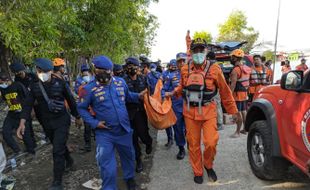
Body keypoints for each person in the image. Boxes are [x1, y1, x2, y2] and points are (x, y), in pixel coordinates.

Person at [166, 38, 240, 184]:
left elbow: (225, 91)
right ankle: (198, 171)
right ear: (191, 52)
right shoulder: (185, 69)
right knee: (193, 144)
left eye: (201, 50)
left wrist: (233, 111)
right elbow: (182, 86)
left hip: (208, 111)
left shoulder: (215, 69)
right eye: (195, 50)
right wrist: (173, 92)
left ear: (206, 51)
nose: (198, 53)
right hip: (189, 112)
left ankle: (208, 164)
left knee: (211, 142)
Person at [78, 55, 146, 190]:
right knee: (106, 165)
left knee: (128, 157)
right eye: (99, 70)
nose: (103, 74)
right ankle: (109, 187)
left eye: (106, 71)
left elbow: (127, 97)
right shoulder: (88, 89)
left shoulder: (120, 82)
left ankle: (129, 178)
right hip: (105, 133)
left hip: (123, 130)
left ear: (111, 71)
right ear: (95, 70)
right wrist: (94, 123)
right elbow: (81, 108)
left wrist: (139, 96)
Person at [17, 58, 82, 190]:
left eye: (46, 71)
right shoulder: (35, 86)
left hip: (62, 121)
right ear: (37, 70)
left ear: (51, 71)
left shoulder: (60, 82)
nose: (43, 73)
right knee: (59, 145)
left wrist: (77, 116)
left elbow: (70, 100)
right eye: (40, 70)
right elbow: (28, 105)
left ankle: (57, 183)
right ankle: (69, 161)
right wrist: (22, 123)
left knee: (57, 151)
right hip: (47, 123)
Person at [123, 57, 153, 173]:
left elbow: (150, 91)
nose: (131, 67)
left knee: (143, 133)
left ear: (138, 67)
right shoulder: (122, 80)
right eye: (128, 65)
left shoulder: (143, 78)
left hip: (141, 112)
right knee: (133, 138)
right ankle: (138, 160)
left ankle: (148, 142)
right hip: (128, 113)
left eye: (133, 65)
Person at [0, 73, 36, 156]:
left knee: (26, 135)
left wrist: (31, 111)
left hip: (22, 114)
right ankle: (18, 151)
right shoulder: (2, 89)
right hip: (12, 114)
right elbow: (5, 99)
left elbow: (28, 97)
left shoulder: (18, 85)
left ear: (6, 80)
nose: (1, 85)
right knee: (5, 133)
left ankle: (31, 152)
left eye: (1, 82)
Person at [162, 59, 186, 159]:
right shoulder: (171, 76)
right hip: (177, 107)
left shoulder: (193, 73)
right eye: (179, 62)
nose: (182, 63)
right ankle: (181, 148)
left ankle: (193, 147)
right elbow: (163, 90)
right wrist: (165, 95)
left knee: (190, 129)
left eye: (184, 61)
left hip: (191, 106)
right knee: (178, 128)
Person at [229, 49, 251, 138]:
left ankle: (237, 132)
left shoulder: (235, 70)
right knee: (243, 111)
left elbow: (233, 84)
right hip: (244, 93)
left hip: (237, 94)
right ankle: (245, 129)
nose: (231, 58)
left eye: (232, 57)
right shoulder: (245, 67)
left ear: (235, 58)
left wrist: (229, 95)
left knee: (237, 113)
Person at [75, 63, 95, 152]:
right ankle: (87, 145)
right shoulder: (78, 81)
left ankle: (96, 137)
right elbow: (77, 91)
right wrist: (82, 86)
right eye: (84, 71)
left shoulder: (93, 79)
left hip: (94, 105)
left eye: (86, 71)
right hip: (85, 104)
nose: (85, 73)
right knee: (87, 124)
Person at [207, 51, 224, 130]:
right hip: (215, 89)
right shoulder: (216, 65)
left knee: (217, 106)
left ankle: (219, 123)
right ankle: (217, 122)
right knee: (216, 106)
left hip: (215, 90)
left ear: (208, 58)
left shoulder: (213, 66)